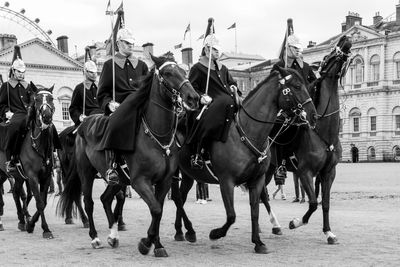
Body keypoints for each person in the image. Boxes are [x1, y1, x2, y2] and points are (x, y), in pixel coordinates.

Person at [96, 27, 149, 184]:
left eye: (132, 43)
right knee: (114, 124)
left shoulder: (141, 65)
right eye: (127, 43)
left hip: (140, 105)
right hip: (120, 107)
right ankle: (112, 165)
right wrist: (109, 104)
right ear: (118, 43)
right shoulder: (109, 65)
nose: (130, 46)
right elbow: (102, 93)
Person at [187, 18, 241, 168]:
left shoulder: (223, 68)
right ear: (206, 50)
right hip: (209, 103)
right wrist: (201, 97)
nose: (218, 53)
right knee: (204, 120)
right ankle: (197, 153)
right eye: (214, 50)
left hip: (229, 101)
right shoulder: (197, 68)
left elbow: (231, 82)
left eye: (218, 50)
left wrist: (234, 88)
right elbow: (191, 88)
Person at [272, 34, 317, 179]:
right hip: (285, 108)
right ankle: (281, 164)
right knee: (280, 131)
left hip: (303, 106)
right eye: (295, 48)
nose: (298, 51)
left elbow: (314, 84)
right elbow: (272, 86)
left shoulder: (304, 67)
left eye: (299, 49)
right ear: (288, 48)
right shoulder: (278, 66)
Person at [0, 45, 35, 172]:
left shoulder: (28, 86)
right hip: (15, 115)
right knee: (14, 127)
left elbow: (32, 101)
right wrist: (5, 112)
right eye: (18, 71)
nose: (21, 74)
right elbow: (1, 104)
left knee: (48, 126)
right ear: (13, 71)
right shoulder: (6, 86)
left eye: (23, 71)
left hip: (28, 114)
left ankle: (51, 154)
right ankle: (11, 159)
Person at [69, 48, 103, 127]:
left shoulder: (100, 86)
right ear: (85, 72)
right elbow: (73, 108)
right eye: (91, 72)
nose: (94, 74)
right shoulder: (79, 88)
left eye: (95, 72)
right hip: (88, 119)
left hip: (102, 117)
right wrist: (79, 117)